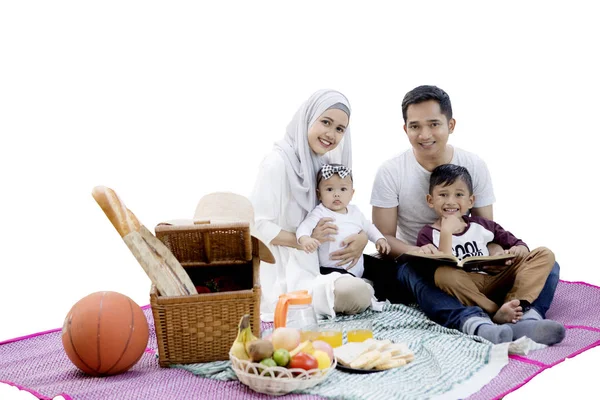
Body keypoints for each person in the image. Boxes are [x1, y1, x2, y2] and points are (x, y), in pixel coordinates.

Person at [368, 85, 564, 345]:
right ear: (405, 129)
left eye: (434, 124)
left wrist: (497, 255)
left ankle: (526, 317)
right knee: (410, 271)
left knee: (547, 262)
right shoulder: (391, 171)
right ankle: (477, 323)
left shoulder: (474, 165)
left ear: (451, 124)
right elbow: (384, 240)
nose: (424, 134)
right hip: (423, 263)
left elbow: (488, 228)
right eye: (415, 126)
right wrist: (420, 253)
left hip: (474, 264)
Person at [250, 89, 373, 321]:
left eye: (339, 129)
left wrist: (363, 238)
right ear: (307, 119)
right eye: (325, 122)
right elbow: (257, 226)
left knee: (391, 272)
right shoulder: (276, 163)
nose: (331, 134)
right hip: (284, 268)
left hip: (319, 261)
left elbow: (338, 211)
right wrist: (304, 239)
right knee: (354, 292)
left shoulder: (323, 164)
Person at [416, 163, 556, 326]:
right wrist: (446, 232)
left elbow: (518, 244)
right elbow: (437, 274)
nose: (451, 202)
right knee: (443, 274)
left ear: (470, 201)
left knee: (544, 254)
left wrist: (517, 250)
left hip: (494, 278)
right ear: (430, 200)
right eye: (443, 195)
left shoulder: (482, 225)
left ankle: (514, 304)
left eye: (459, 194)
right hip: (464, 287)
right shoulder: (427, 234)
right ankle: (494, 311)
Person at [296, 163, 391, 280]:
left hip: (356, 265)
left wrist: (379, 239)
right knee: (346, 283)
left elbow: (368, 227)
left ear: (352, 194)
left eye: (343, 189)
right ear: (319, 194)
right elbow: (305, 226)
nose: (337, 194)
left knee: (386, 270)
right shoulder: (320, 212)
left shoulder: (355, 211)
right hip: (331, 268)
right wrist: (305, 238)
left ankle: (378, 292)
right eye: (329, 189)